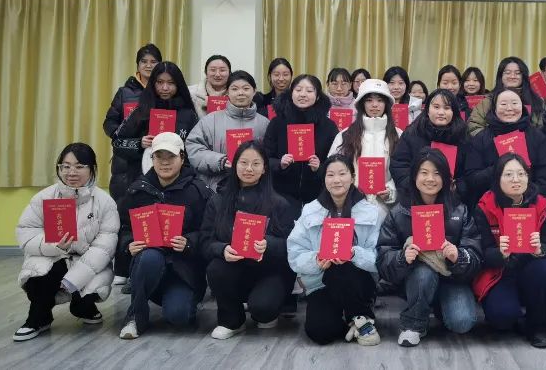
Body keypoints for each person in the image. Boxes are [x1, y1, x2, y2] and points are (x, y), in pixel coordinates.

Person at [13, 143, 119, 341]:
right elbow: (26, 233)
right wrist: (54, 246)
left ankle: (83, 307)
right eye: (66, 166)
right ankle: (38, 317)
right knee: (40, 274)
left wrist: (73, 278)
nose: (71, 172)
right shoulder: (44, 197)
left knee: (92, 282)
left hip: (87, 259)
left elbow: (105, 247)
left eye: (79, 166)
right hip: (52, 255)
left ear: (92, 169)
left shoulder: (105, 202)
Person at [377, 148, 483, 346]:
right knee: (423, 273)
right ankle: (413, 324)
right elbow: (383, 259)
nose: (430, 179)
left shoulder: (460, 210)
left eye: (437, 173)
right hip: (416, 279)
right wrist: (402, 257)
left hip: (452, 280)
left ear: (446, 178)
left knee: (462, 322)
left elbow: (475, 255)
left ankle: (435, 305)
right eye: (424, 172)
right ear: (414, 176)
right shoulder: (399, 212)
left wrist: (458, 256)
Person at [117, 133, 213, 339]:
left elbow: (210, 231)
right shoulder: (137, 190)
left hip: (183, 271)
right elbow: (123, 227)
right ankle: (135, 317)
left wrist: (189, 242)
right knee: (150, 257)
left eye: (171, 156)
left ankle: (183, 300)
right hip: (148, 266)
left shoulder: (198, 191)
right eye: (159, 156)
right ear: (151, 158)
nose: (165, 162)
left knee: (179, 317)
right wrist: (128, 244)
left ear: (182, 158)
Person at [111, 61, 198, 282]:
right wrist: (139, 142)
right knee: (139, 227)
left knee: (172, 229)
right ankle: (133, 272)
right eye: (160, 82)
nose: (165, 88)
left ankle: (173, 275)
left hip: (177, 182)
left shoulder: (188, 114)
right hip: (143, 179)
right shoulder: (141, 110)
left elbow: (195, 148)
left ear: (178, 85)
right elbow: (117, 142)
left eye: (171, 83)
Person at [202, 141, 296, 339]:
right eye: (243, 163)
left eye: (256, 163)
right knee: (216, 268)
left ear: (264, 168)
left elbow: (292, 245)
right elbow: (205, 242)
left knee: (263, 310)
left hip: (269, 272)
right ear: (234, 165)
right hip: (233, 268)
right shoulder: (218, 201)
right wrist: (222, 249)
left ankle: (266, 310)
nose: (249, 169)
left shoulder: (279, 203)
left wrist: (269, 244)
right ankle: (231, 320)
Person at [287, 155, 383, 345]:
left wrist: (354, 254)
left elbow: (380, 256)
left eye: (342, 174)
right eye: (330, 175)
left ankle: (361, 317)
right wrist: (316, 260)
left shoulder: (371, 211)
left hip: (358, 281)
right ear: (324, 179)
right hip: (321, 282)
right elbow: (295, 252)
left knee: (342, 267)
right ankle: (352, 321)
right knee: (320, 332)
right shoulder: (310, 210)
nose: (336, 180)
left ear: (352, 177)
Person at [471, 154, 546, 348]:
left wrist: (540, 249)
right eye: (508, 174)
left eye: (521, 174)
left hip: (531, 268)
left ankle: (537, 326)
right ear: (498, 178)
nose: (516, 179)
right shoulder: (485, 207)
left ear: (528, 177)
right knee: (502, 318)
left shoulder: (541, 204)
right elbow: (482, 254)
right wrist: (499, 253)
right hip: (500, 272)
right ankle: (516, 316)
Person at [263, 74, 338, 213]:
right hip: (281, 196)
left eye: (309, 91)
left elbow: (336, 162)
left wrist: (320, 167)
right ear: (291, 93)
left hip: (318, 197)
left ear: (318, 96)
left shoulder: (329, 126)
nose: (303, 94)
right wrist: (280, 163)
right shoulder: (277, 123)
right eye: (298, 90)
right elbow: (265, 158)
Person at [185, 71, 271, 191]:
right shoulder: (210, 120)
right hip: (217, 189)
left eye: (246, 88)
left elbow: (271, 155)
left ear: (254, 91)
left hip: (256, 189)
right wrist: (220, 161)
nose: (240, 93)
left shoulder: (264, 123)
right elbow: (193, 148)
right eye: (234, 89)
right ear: (227, 92)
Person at [464, 89, 546, 200]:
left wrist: (530, 200)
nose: (509, 108)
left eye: (514, 103)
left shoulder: (537, 136)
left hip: (530, 201)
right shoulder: (481, 139)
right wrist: (499, 167)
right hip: (492, 203)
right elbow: (472, 179)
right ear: (494, 108)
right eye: (503, 104)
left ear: (523, 107)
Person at [328, 79, 403, 215]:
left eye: (380, 100)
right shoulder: (345, 135)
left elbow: (404, 170)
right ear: (362, 104)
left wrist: (390, 191)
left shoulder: (398, 135)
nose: (375, 105)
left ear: (386, 104)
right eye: (369, 100)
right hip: (351, 206)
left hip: (386, 209)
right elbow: (332, 168)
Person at [390, 89, 472, 205]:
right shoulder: (412, 133)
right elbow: (399, 164)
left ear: (454, 112)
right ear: (427, 110)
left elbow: (470, 172)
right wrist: (416, 186)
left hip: (452, 200)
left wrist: (457, 187)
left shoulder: (463, 137)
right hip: (414, 199)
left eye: (447, 108)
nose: (441, 112)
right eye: (436, 107)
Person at [102, 43, 161, 202]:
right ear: (137, 65)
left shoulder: (165, 91)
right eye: (144, 61)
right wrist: (123, 137)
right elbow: (109, 123)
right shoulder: (124, 92)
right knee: (126, 206)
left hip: (157, 156)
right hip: (126, 162)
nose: (148, 65)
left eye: (153, 62)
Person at [467, 57, 546, 136]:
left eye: (517, 73)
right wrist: (490, 140)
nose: (512, 76)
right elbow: (474, 125)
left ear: (523, 76)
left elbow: (542, 128)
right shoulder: (488, 100)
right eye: (507, 73)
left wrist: (531, 139)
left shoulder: (536, 100)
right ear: (500, 76)